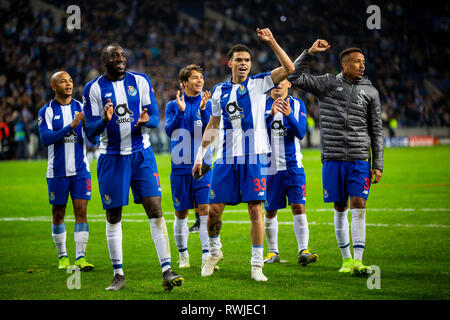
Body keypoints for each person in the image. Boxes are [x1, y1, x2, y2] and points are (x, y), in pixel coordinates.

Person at [193, 28, 294, 281]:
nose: (244, 64)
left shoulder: (260, 83)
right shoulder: (218, 91)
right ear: (230, 63)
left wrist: (271, 41)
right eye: (238, 60)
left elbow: (289, 67)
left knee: (255, 210)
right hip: (226, 158)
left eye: (247, 60)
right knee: (213, 210)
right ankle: (214, 253)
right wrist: (200, 154)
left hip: (254, 157)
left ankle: (257, 265)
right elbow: (213, 124)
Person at [83, 43, 183, 291]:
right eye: (114, 55)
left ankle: (167, 270)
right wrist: (104, 121)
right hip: (112, 158)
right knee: (113, 215)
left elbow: (156, 118)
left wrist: (146, 121)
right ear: (103, 60)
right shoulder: (93, 89)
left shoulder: (140, 81)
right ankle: (118, 274)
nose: (120, 59)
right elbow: (90, 132)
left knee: (155, 208)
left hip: (141, 154)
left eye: (123, 55)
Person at [288, 40, 383, 276]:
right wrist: (308, 53)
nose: (362, 66)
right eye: (357, 62)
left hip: (360, 158)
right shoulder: (327, 83)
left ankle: (359, 260)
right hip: (332, 157)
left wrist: (378, 164)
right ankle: (346, 259)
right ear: (345, 65)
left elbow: (377, 129)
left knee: (359, 205)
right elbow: (294, 77)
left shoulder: (370, 91)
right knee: (340, 207)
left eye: (363, 62)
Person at [37, 71, 94, 272]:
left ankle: (81, 257)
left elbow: (93, 139)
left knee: (81, 212)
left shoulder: (81, 107)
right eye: (63, 81)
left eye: (70, 80)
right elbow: (46, 139)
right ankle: (63, 256)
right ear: (54, 86)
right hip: (57, 172)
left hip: (80, 171)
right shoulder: (46, 111)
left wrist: (98, 123)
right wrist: (72, 125)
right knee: (58, 213)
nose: (68, 84)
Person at [262, 79, 319, 266]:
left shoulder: (297, 104)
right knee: (270, 211)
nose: (278, 84)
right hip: (269, 169)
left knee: (298, 207)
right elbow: (255, 132)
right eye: (274, 81)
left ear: (289, 85)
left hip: (294, 167)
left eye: (282, 81)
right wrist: (270, 116)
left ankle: (303, 249)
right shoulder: (262, 103)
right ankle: (273, 252)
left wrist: (288, 115)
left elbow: (301, 132)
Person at [164, 64, 214, 269]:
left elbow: (209, 134)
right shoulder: (172, 106)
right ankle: (183, 256)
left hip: (204, 166)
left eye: (201, 77)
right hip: (180, 167)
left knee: (205, 210)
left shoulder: (208, 104)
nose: (200, 80)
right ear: (184, 83)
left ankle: (206, 256)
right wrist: (181, 113)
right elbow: (170, 131)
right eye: (195, 78)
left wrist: (203, 111)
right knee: (181, 213)